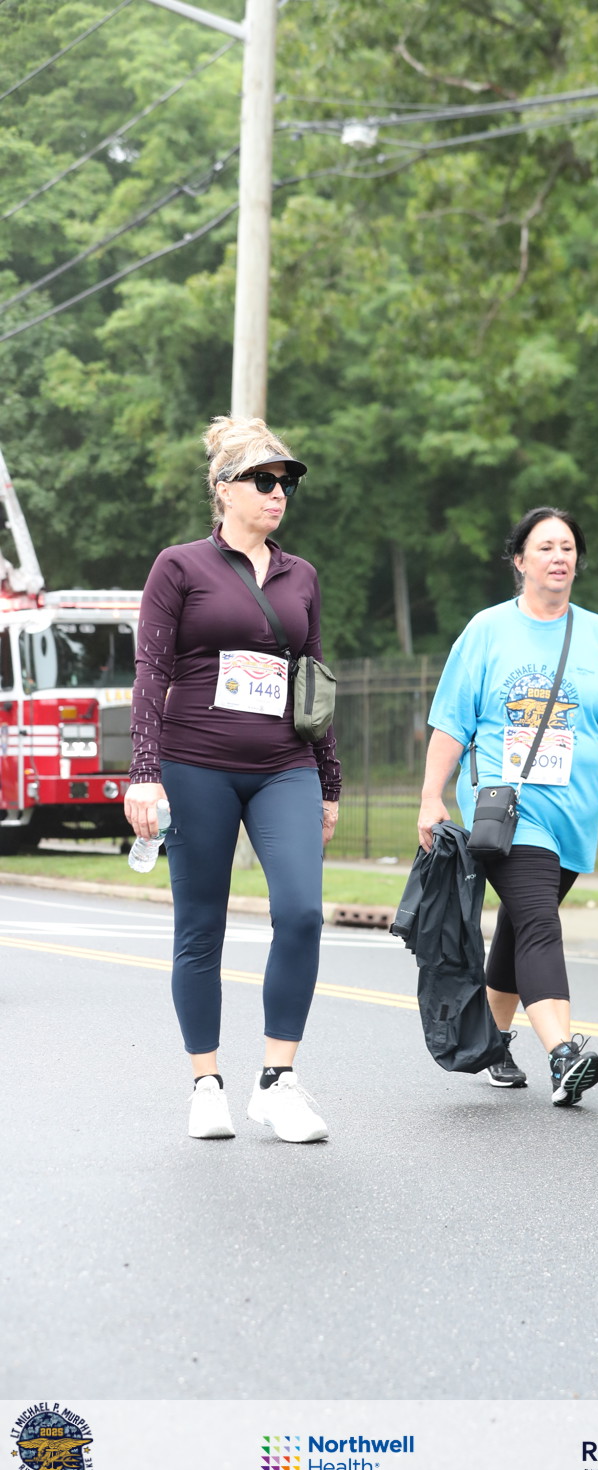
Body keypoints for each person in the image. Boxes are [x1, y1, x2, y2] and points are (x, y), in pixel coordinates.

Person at [417, 506, 598, 1105]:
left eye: (567, 547)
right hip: (507, 809)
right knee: (540, 920)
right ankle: (564, 1055)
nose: (559, 557)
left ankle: (489, 1043)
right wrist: (432, 795)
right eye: (545, 547)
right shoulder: (487, 630)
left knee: (519, 926)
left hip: (573, 814)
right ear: (519, 561)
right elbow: (452, 721)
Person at [125, 415, 341, 1144]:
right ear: (224, 488)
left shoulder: (300, 575)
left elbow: (313, 680)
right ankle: (206, 1083)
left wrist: (329, 783)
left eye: (286, 483)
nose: (278, 493)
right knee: (201, 927)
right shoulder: (179, 566)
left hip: (284, 766)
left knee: (302, 913)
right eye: (264, 480)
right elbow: (150, 672)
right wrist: (144, 773)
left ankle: (277, 1083)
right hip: (195, 766)